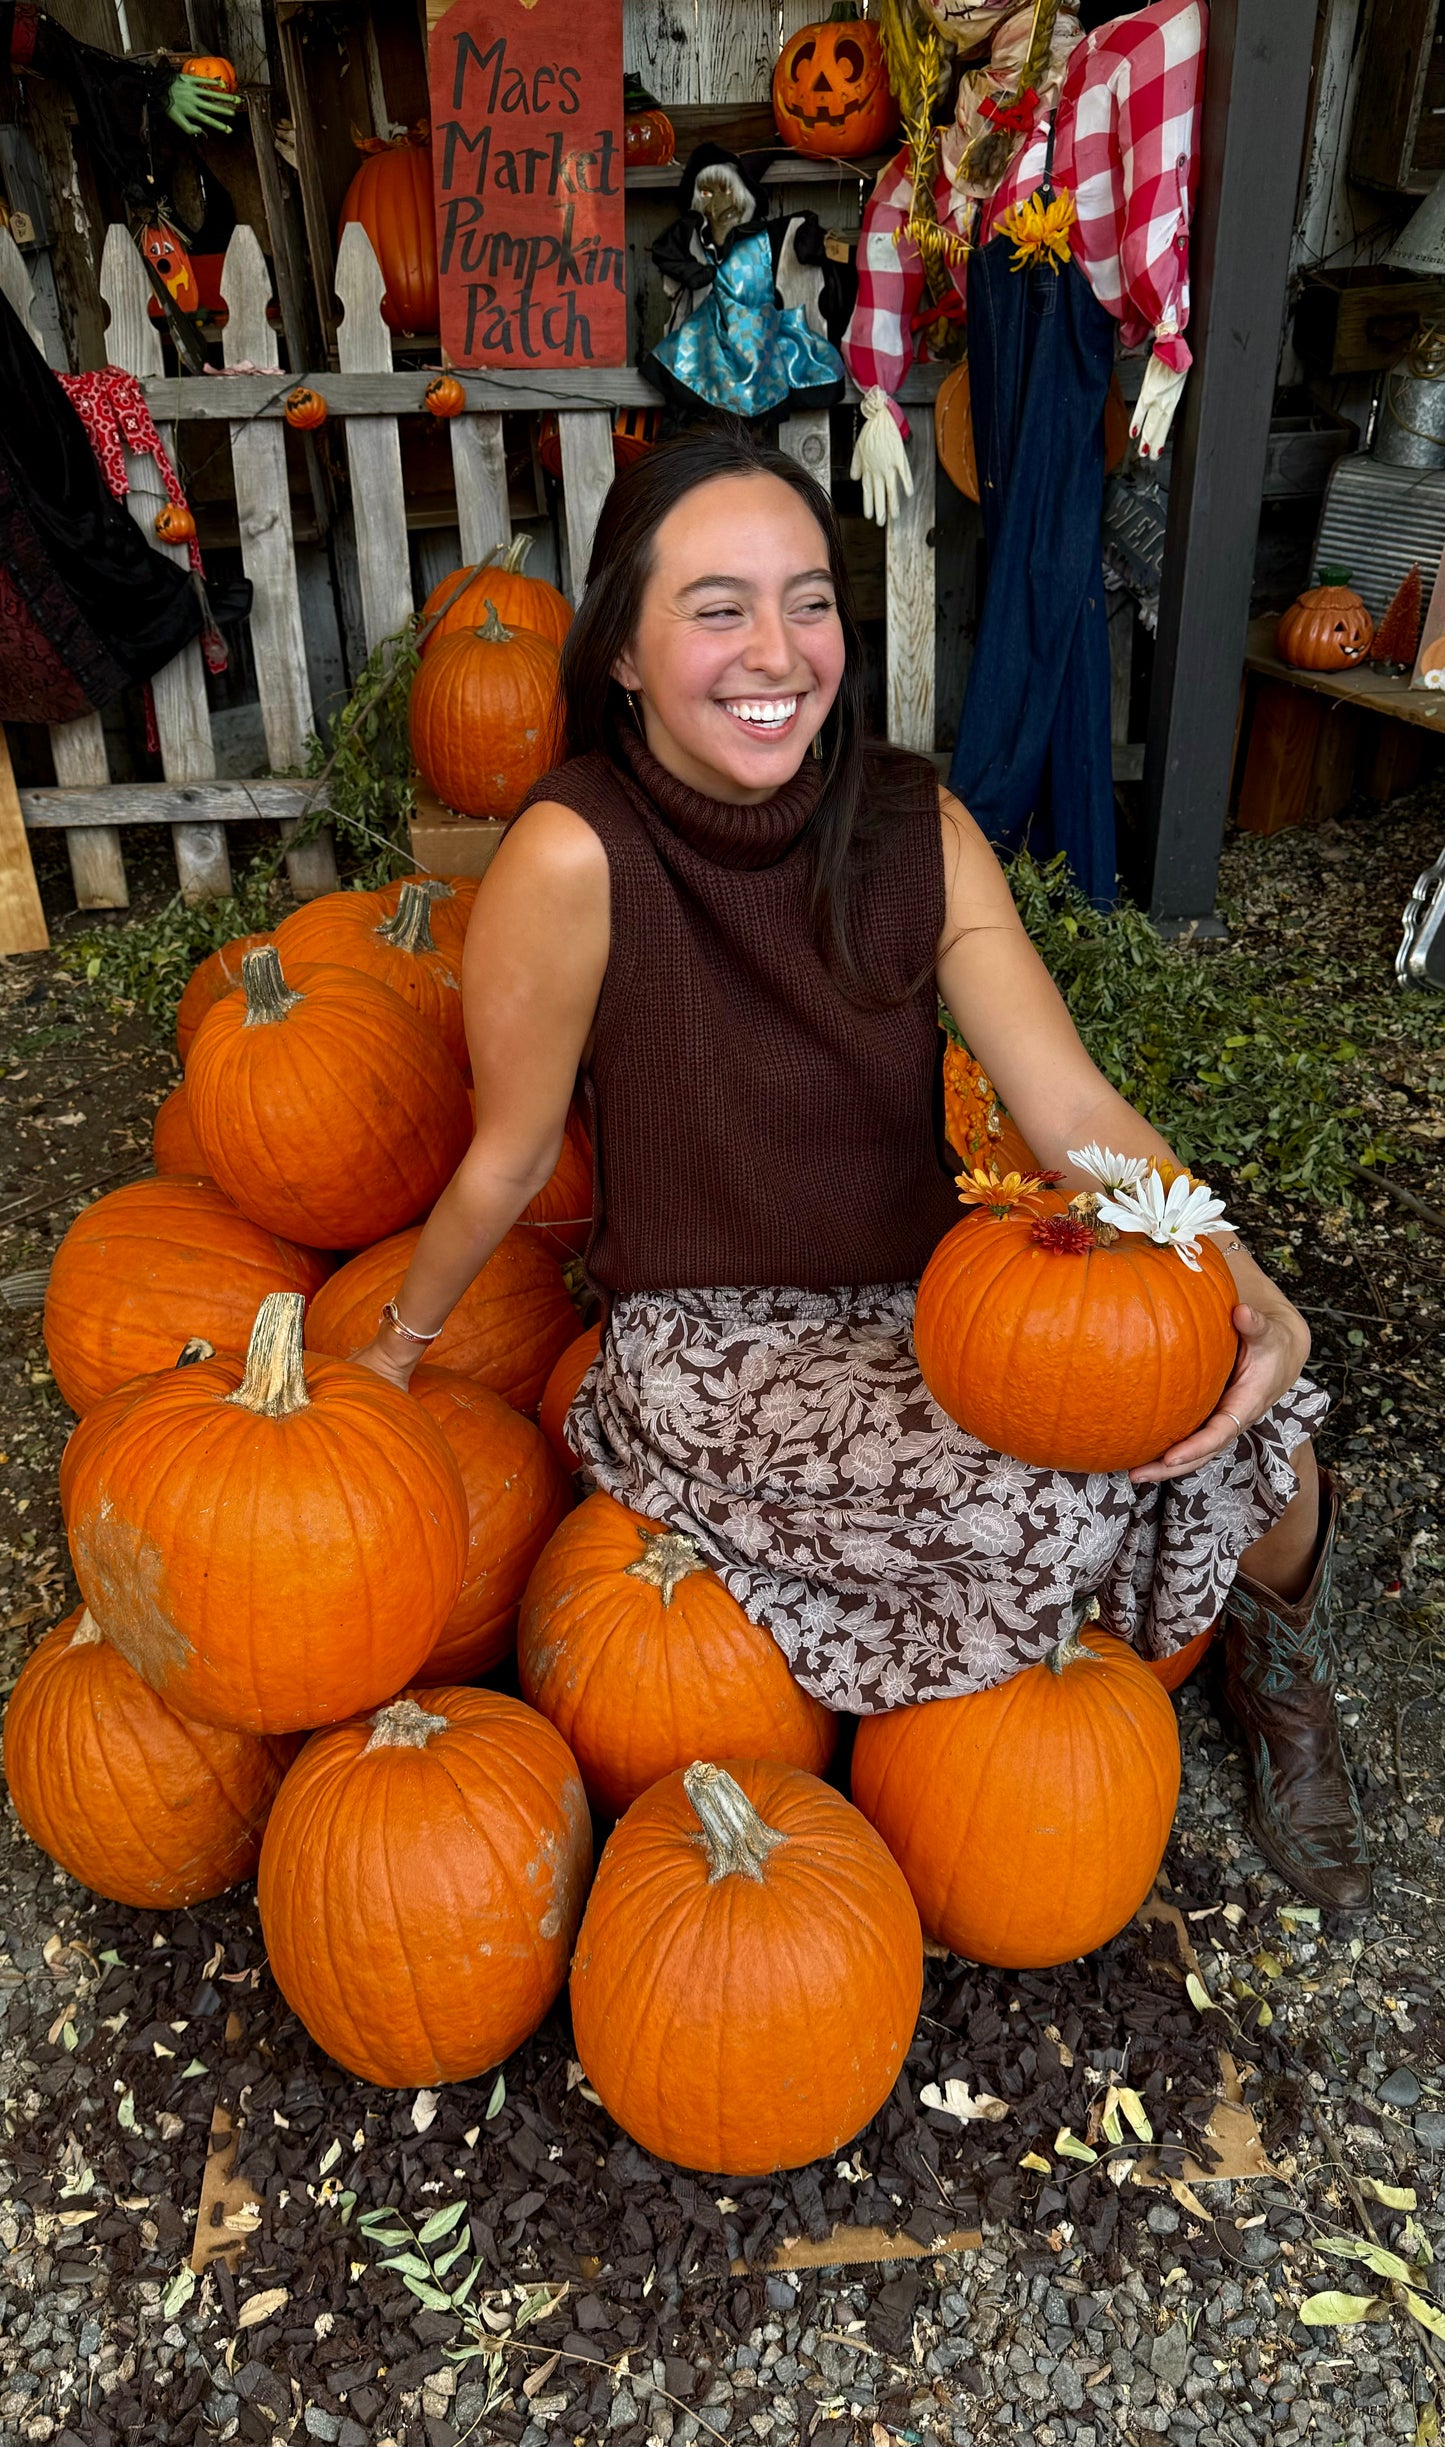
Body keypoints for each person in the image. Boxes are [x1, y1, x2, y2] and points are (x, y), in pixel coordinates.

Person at [354, 428, 1368, 1915]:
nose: (777, 651)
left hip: (922, 1300)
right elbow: (505, 1162)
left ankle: (1273, 1678)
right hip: (717, 1344)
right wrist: (391, 1350)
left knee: (1240, 1402)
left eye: (808, 599)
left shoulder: (911, 826)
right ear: (623, 652)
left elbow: (1064, 1097)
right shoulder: (575, 857)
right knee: (1045, 1492)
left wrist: (1238, 1277)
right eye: (716, 608)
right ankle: (1070, 1647)